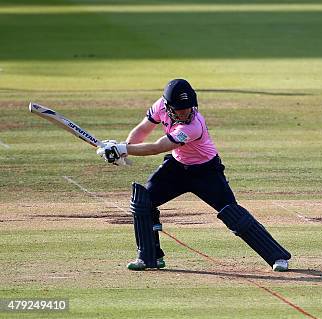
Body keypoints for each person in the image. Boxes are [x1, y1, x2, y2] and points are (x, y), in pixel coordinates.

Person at [97, 79, 291, 272]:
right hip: (176, 168)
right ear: (168, 106)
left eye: (188, 108)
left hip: (206, 172)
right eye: (179, 109)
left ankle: (278, 257)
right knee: (143, 202)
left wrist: (122, 149)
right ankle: (150, 258)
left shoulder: (193, 127)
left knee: (233, 214)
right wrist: (124, 150)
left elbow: (158, 147)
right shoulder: (160, 106)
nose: (185, 112)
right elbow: (143, 129)